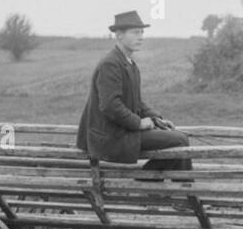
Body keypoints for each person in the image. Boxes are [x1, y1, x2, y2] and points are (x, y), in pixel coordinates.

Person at [76, 11, 192, 173]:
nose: (141, 37)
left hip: (123, 132)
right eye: (135, 32)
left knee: (178, 137)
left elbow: (137, 101)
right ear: (119, 35)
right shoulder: (110, 64)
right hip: (110, 137)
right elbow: (110, 105)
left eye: (142, 32)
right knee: (179, 140)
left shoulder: (129, 64)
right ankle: (173, 186)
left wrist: (156, 119)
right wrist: (139, 123)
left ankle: (178, 188)